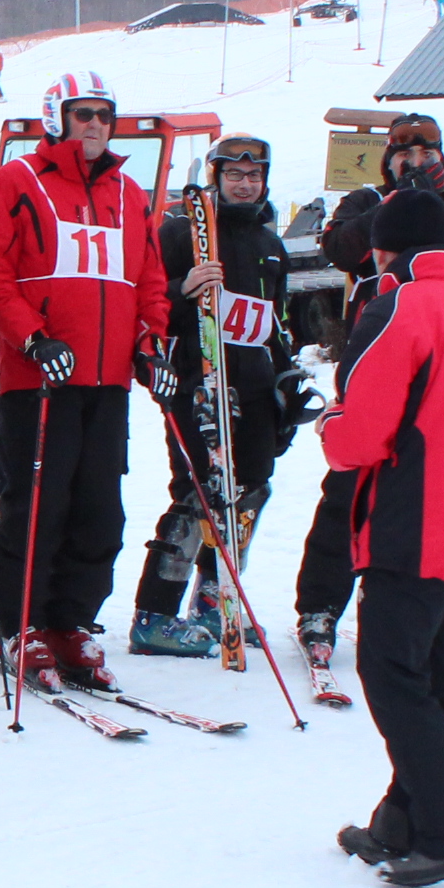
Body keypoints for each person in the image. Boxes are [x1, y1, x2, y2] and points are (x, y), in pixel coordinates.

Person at [322, 188, 444, 887]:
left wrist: (327, 424)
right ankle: (406, 822)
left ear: (383, 249)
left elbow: (361, 436)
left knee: (391, 675)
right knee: (438, 680)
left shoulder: (396, 308)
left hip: (417, 521)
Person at [0, 69, 170, 691]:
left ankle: (71, 622)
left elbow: (149, 281)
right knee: (38, 507)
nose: (96, 125)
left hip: (107, 381)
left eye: (105, 115)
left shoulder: (130, 194)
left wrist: (149, 343)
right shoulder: (17, 181)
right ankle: (20, 624)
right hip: (41, 380)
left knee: (99, 511)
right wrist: (31, 336)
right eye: (84, 114)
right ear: (58, 118)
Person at [292, 113, 444, 685]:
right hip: (377, 348)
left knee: (438, 481)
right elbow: (339, 250)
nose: (415, 161)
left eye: (425, 152)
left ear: (443, 156)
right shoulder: (366, 202)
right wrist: (391, 205)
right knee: (350, 482)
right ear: (386, 157)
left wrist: (443, 293)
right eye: (403, 152)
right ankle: (320, 606)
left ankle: (428, 608)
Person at [130, 133, 310, 657]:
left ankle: (215, 598)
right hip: (197, 381)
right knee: (199, 492)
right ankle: (154, 613)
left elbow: (275, 321)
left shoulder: (270, 244)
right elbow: (144, 302)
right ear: (216, 178)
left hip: (254, 384)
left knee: (249, 490)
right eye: (234, 175)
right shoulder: (180, 233)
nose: (245, 184)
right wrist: (182, 289)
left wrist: (286, 379)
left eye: (254, 176)